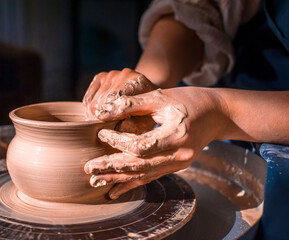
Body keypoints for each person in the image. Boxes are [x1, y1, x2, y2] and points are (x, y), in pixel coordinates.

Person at [83, 1, 289, 239]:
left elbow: (217, 110)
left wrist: (222, 112)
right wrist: (145, 85)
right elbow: (202, 8)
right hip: (217, 88)